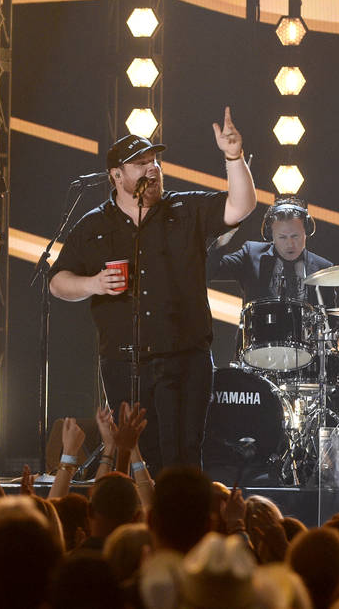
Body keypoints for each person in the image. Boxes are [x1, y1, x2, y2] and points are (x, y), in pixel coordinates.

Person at [49, 108, 257, 470]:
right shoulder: (94, 224)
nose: (152, 169)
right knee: (138, 458)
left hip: (185, 356)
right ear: (116, 175)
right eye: (140, 163)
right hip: (124, 361)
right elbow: (57, 282)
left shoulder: (184, 209)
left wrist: (233, 157)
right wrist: (93, 283)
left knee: (184, 456)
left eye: (155, 162)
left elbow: (241, 206)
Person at [207, 197, 339, 359]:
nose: (290, 244)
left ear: (306, 232)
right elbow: (208, 271)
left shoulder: (323, 268)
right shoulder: (251, 254)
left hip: (306, 361)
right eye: (282, 237)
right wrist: (224, 238)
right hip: (256, 356)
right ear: (271, 235)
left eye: (295, 236)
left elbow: (332, 323)